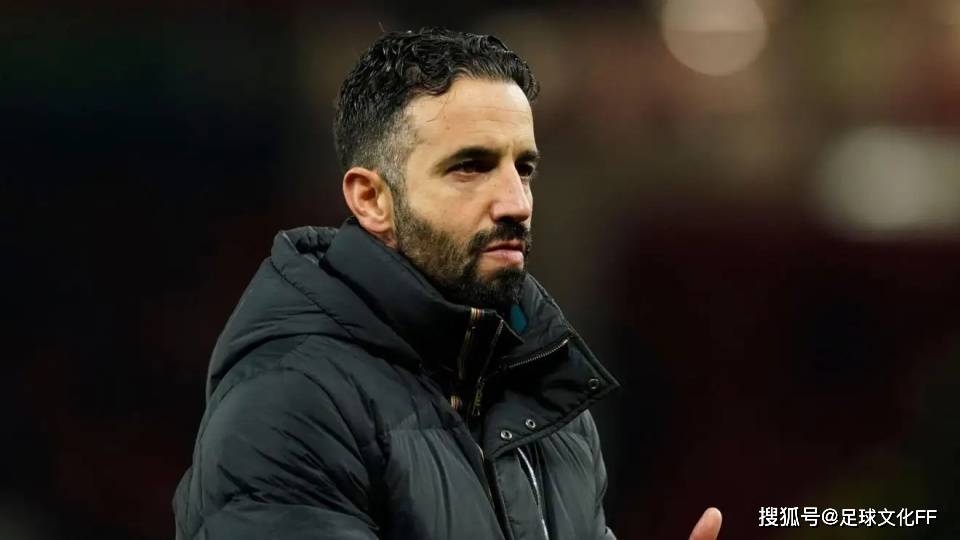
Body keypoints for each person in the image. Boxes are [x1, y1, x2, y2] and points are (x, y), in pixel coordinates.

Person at [172, 27, 723, 540]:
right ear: (371, 198)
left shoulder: (551, 402)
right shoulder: (290, 404)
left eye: (523, 168)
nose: (516, 203)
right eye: (470, 167)